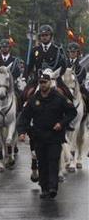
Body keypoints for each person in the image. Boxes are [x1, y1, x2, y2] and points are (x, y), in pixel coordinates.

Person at [17, 68, 77, 199]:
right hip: (39, 136)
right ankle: (44, 188)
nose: (43, 84)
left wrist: (62, 123)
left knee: (53, 161)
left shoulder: (59, 98)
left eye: (45, 82)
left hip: (54, 136)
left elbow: (72, 112)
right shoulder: (33, 99)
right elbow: (24, 117)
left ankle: (53, 187)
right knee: (42, 163)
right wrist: (21, 131)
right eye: (41, 82)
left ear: (50, 83)